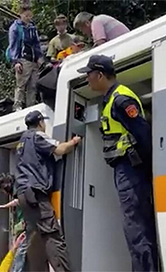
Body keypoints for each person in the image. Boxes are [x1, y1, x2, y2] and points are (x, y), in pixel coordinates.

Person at [77, 55, 158, 272]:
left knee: (136, 229)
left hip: (132, 170)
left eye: (89, 75)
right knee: (135, 228)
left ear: (100, 74)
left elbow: (144, 135)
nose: (87, 79)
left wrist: (145, 170)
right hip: (126, 171)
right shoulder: (110, 99)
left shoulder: (121, 100)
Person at [15, 110, 81, 272]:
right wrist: (73, 141)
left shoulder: (21, 141)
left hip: (24, 194)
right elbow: (59, 149)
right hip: (36, 194)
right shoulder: (37, 136)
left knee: (35, 238)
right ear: (40, 123)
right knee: (52, 236)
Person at [7, 4, 43, 111]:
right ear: (20, 15)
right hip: (23, 59)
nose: (28, 17)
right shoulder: (15, 27)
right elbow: (13, 45)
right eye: (25, 15)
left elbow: (36, 43)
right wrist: (16, 61)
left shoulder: (32, 27)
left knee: (33, 85)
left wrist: (39, 57)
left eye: (29, 15)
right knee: (21, 85)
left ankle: (30, 106)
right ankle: (17, 105)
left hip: (34, 60)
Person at [0, 173, 25, 272]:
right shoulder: (19, 189)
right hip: (21, 229)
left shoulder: (19, 192)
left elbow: (18, 201)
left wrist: (4, 206)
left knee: (19, 256)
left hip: (23, 229)